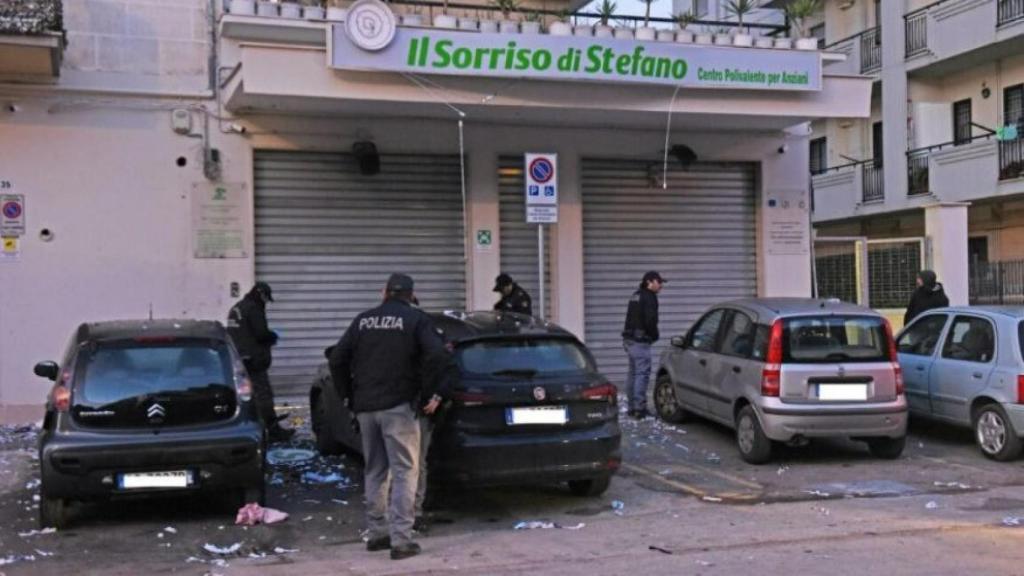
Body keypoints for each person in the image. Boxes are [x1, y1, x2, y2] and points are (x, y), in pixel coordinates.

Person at [329, 274, 454, 561]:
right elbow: (438, 355)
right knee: (405, 471)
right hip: (399, 408)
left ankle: (377, 534)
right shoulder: (416, 319)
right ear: (411, 295)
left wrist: (348, 396)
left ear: (384, 292)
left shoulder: (363, 320)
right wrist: (426, 392)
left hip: (365, 408)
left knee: (375, 470)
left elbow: (336, 359)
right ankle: (401, 540)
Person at [227, 282, 294, 442]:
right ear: (261, 294)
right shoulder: (253, 309)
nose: (266, 302)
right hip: (254, 361)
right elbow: (261, 334)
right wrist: (273, 336)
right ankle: (272, 431)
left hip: (239, 360)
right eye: (266, 298)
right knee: (263, 395)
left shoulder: (236, 308)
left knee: (246, 397)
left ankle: (250, 428)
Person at [621, 271, 666, 419]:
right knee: (642, 374)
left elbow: (629, 318)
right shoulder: (649, 297)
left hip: (629, 339)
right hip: (640, 341)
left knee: (633, 373)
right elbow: (650, 320)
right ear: (649, 282)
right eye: (659, 282)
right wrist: (654, 335)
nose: (661, 285)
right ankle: (639, 409)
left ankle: (631, 407)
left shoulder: (636, 295)